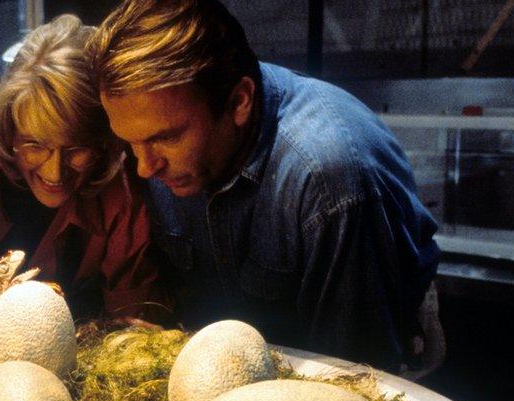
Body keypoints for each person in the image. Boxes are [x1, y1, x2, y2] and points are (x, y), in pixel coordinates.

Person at [88, 0, 443, 372]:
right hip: (234, 363)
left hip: (344, 368)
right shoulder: (161, 129)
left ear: (239, 102)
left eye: (167, 139)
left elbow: (357, 378)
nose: (145, 168)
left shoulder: (331, 180)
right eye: (130, 142)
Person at [0, 14, 163, 322]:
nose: (55, 173)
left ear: (104, 141)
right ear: (8, 129)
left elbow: (135, 328)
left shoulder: (122, 199)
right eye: (35, 145)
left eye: (77, 148)